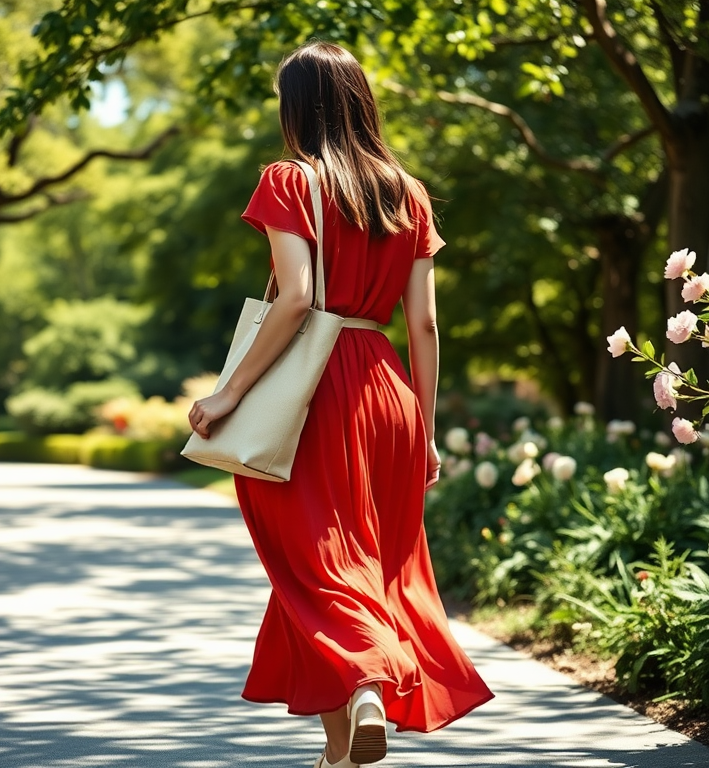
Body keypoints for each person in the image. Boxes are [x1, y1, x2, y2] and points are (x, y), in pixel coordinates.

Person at [187, 41, 493, 768]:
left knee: (317, 569)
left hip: (315, 394)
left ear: (298, 108)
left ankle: (365, 684)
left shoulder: (289, 182)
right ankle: (339, 755)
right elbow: (423, 323)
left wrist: (229, 391)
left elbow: (296, 299)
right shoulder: (407, 193)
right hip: (386, 390)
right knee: (347, 570)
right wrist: (426, 428)